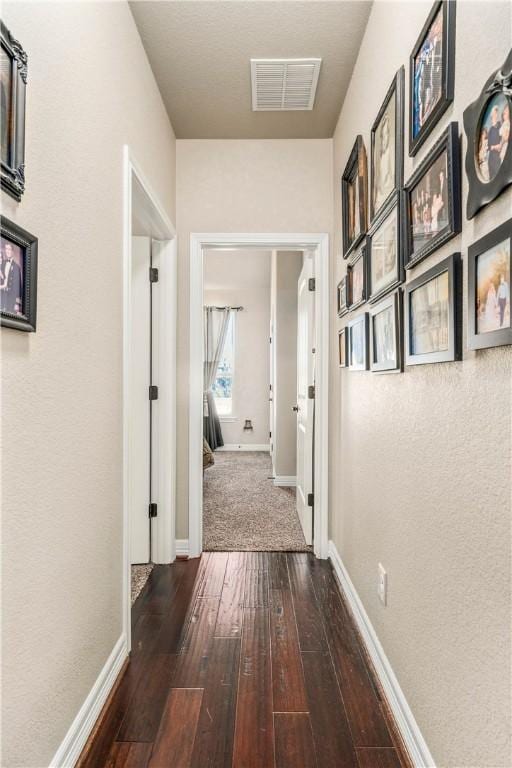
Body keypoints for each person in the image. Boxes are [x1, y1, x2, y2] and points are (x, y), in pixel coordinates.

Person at [0, 241, 23, 314]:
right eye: (6, 249)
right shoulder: (2, 263)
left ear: (12, 251)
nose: (7, 251)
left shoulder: (16, 267)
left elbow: (17, 286)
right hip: (1, 295)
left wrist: (16, 302)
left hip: (11, 297)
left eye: (9, 249)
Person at [487, 105, 502, 179]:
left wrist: (493, 147)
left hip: (497, 158)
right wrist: (493, 147)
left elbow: (501, 145)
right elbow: (488, 147)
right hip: (491, 160)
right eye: (493, 114)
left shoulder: (500, 126)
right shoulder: (490, 130)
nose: (495, 115)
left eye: (496, 113)